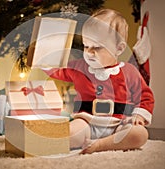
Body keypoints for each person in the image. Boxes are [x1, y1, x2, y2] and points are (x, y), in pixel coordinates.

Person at [42, 8, 154, 154]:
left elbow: (145, 96)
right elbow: (59, 71)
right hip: (87, 122)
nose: (89, 52)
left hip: (120, 124)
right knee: (68, 133)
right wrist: (44, 62)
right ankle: (83, 141)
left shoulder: (129, 71)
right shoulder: (79, 67)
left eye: (97, 47)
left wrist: (139, 115)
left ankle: (100, 145)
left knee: (140, 134)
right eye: (86, 46)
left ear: (118, 49)